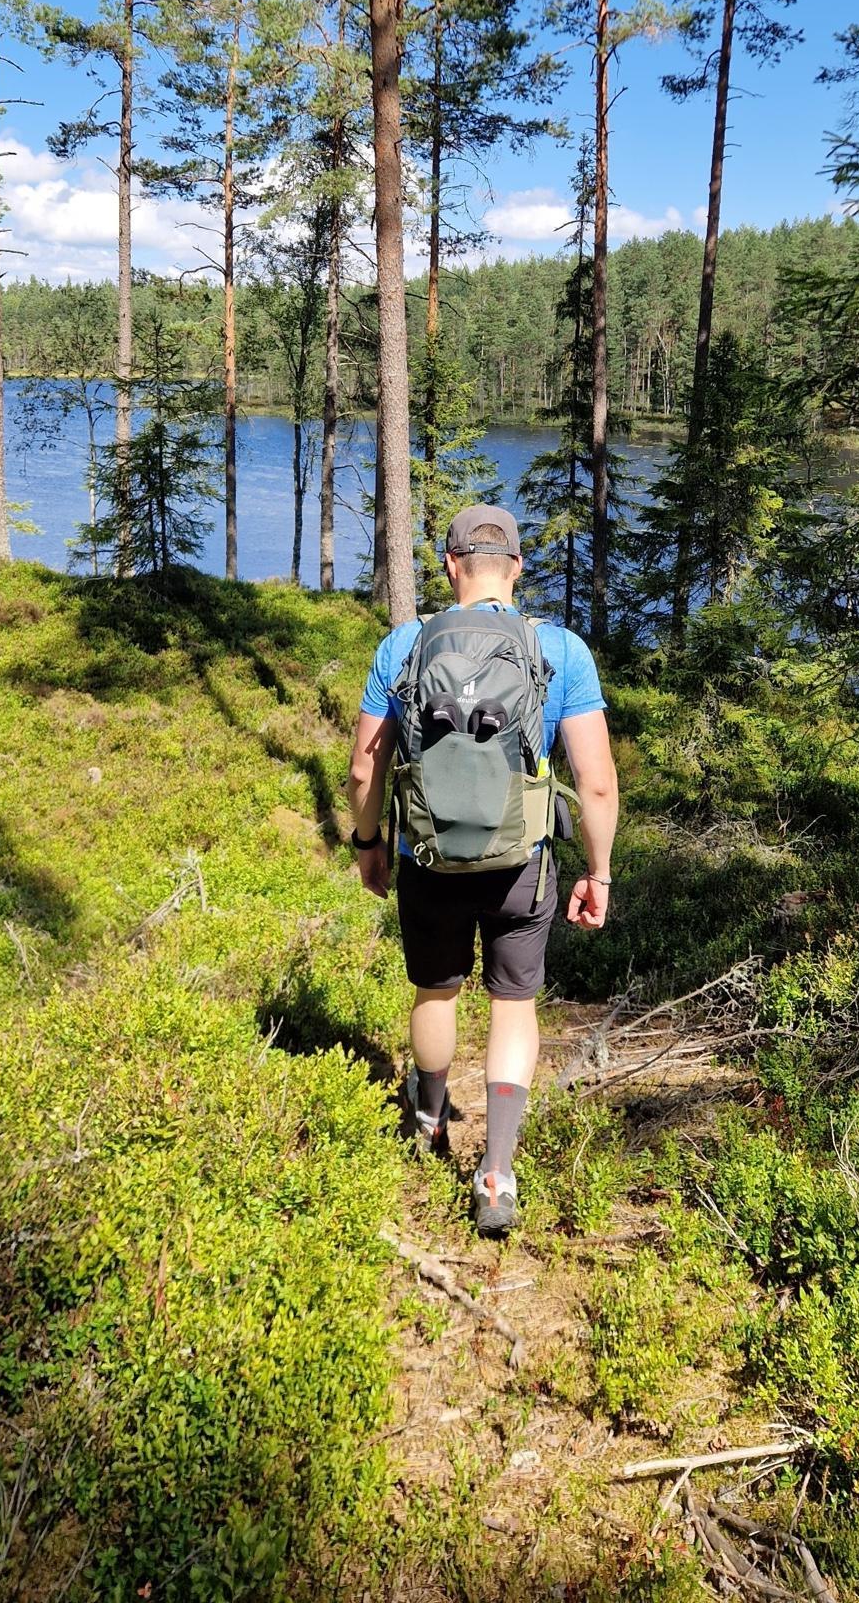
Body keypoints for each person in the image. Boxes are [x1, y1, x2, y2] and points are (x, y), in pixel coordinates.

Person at [347, 504, 619, 1237]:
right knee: (513, 1006)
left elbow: (364, 768)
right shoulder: (559, 649)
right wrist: (597, 873)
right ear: (517, 569)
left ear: (450, 565)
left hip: (428, 858)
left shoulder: (404, 645)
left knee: (435, 992)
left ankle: (428, 1121)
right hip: (521, 865)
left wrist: (369, 842)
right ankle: (497, 1173)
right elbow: (596, 784)